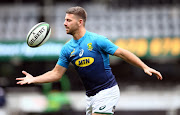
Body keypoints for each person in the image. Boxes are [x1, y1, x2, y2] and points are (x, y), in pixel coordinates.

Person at [16, 6, 163, 115]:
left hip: (107, 92)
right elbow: (56, 74)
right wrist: (34, 79)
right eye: (64, 20)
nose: (64, 23)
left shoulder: (97, 40)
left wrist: (144, 67)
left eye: (68, 20)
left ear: (80, 22)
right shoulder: (67, 49)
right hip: (90, 96)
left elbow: (122, 53)